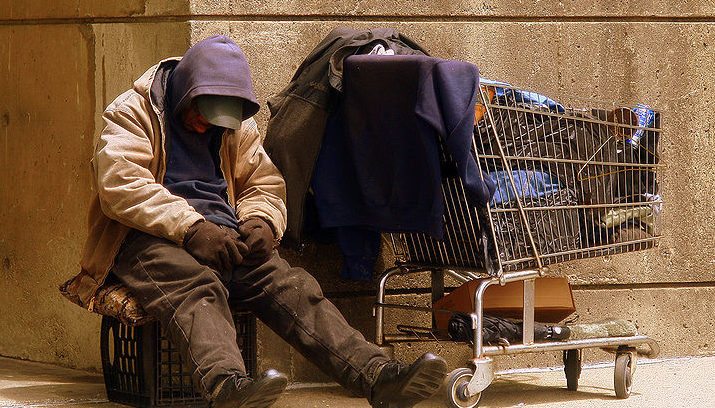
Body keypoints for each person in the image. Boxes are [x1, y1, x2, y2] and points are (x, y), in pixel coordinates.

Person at [60, 35, 448, 408]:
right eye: (200, 115)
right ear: (187, 92)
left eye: (215, 121)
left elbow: (263, 183)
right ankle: (226, 385)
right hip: (144, 238)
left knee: (292, 286)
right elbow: (121, 186)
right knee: (196, 283)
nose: (205, 126)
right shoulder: (133, 111)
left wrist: (261, 221)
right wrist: (192, 228)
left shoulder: (233, 122)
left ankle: (378, 377)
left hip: (221, 235)